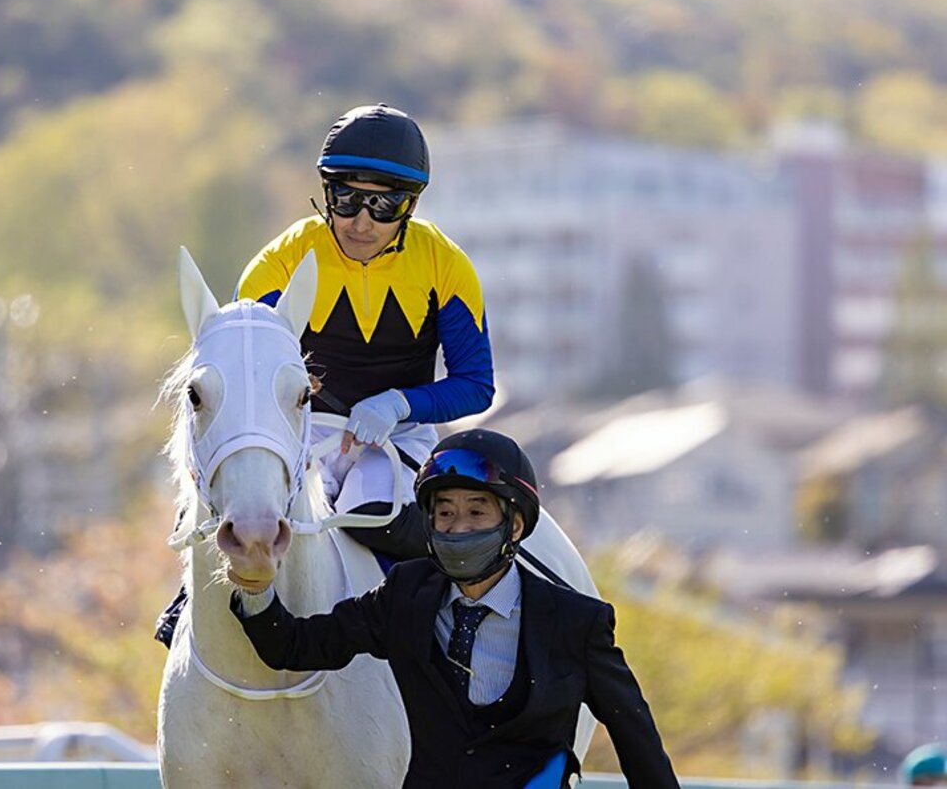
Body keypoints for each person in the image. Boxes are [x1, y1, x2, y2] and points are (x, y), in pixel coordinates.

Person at [156, 103, 494, 646]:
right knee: (242, 495)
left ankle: (435, 644)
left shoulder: (445, 265)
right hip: (303, 430)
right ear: (325, 191)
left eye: (384, 205)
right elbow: (238, 383)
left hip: (396, 435)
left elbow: (477, 383)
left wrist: (399, 405)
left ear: (410, 206)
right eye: (347, 199)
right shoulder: (279, 262)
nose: (362, 221)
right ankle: (185, 610)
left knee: (376, 515)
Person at [230, 429, 679, 788]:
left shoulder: (577, 623)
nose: (457, 527)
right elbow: (295, 647)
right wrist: (256, 587)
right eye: (444, 513)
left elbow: (636, 740)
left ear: (515, 524)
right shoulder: (405, 594)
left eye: (477, 513)